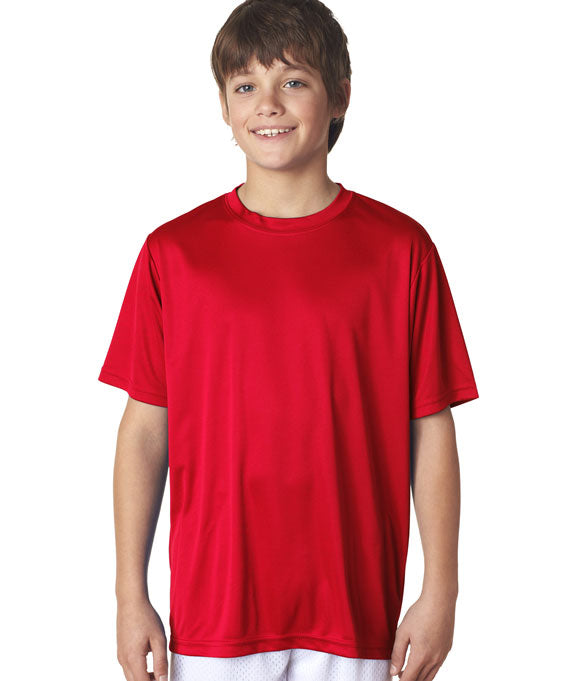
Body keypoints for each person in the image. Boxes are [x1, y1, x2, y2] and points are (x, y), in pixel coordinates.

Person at [97, 0, 479, 679]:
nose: (268, 104)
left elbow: (430, 427)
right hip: (214, 617)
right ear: (224, 106)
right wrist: (131, 595)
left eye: (294, 80)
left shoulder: (401, 250)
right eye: (245, 85)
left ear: (340, 97)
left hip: (354, 614)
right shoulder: (173, 254)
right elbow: (145, 431)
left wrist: (440, 592)